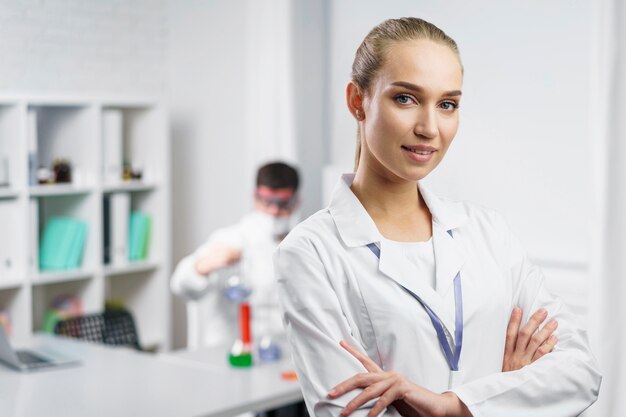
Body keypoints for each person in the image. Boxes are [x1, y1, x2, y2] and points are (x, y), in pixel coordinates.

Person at [274, 17, 601, 417]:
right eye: (406, 99)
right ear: (358, 101)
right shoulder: (310, 253)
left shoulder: (487, 232)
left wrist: (454, 407)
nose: (430, 128)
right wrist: (509, 391)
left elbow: (581, 371)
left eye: (447, 104)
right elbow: (350, 412)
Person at [171, 161, 300, 348]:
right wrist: (202, 267)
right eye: (267, 202)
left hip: (283, 350)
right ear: (254, 198)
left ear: (296, 203)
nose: (274, 211)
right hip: (232, 349)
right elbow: (179, 285)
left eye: (282, 203)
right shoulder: (232, 238)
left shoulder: (302, 245)